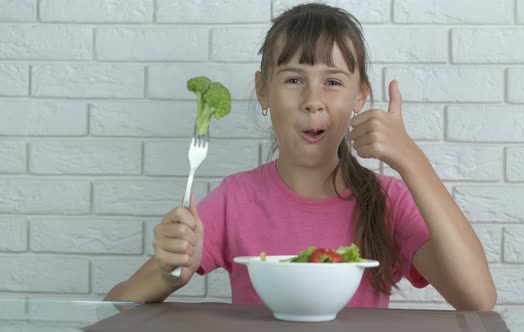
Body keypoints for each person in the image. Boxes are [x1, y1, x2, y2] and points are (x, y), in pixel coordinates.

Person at [104, 3, 496, 310]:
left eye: (332, 82)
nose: (312, 101)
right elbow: (116, 305)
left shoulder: (388, 200)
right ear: (263, 91)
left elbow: (477, 299)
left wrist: (412, 160)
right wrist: (171, 273)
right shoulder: (235, 198)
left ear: (360, 95)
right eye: (294, 80)